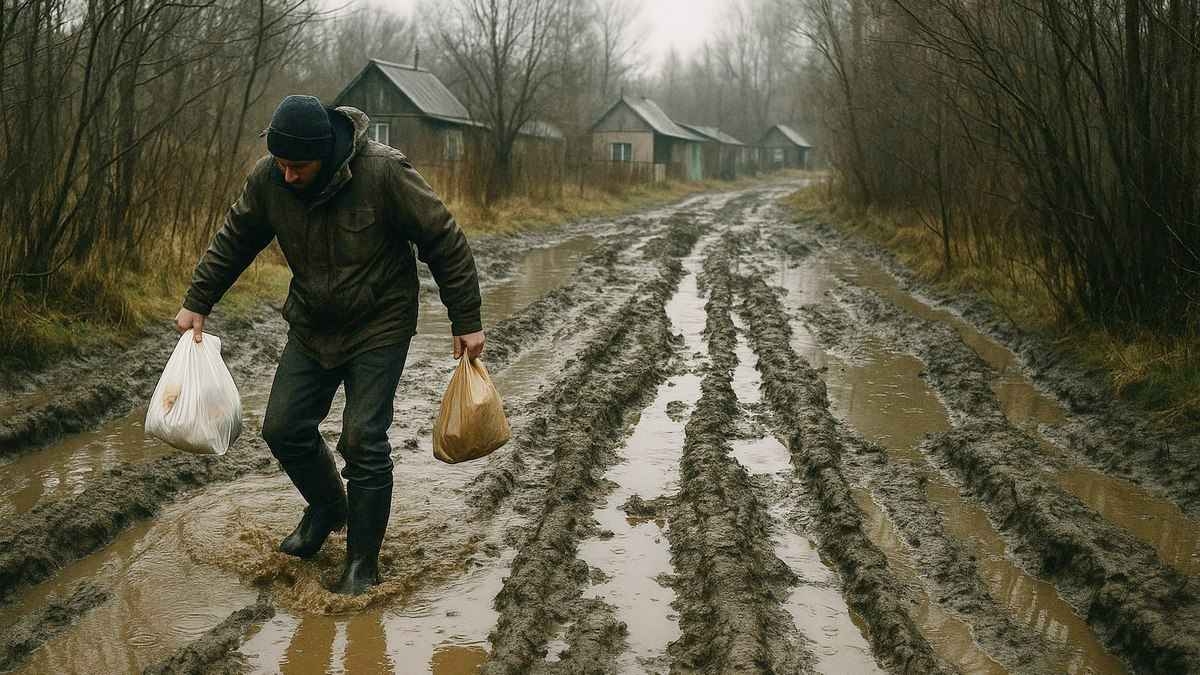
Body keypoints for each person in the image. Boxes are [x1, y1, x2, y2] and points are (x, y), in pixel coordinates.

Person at [175, 95, 484, 595]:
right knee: (282, 427)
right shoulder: (270, 179)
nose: (288, 175)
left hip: (379, 323)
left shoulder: (382, 173)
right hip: (313, 323)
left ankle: (363, 561)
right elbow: (237, 236)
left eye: (298, 166)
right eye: (280, 163)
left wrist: (465, 319)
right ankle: (327, 508)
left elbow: (443, 238)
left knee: (363, 438)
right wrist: (198, 301)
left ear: (326, 153)